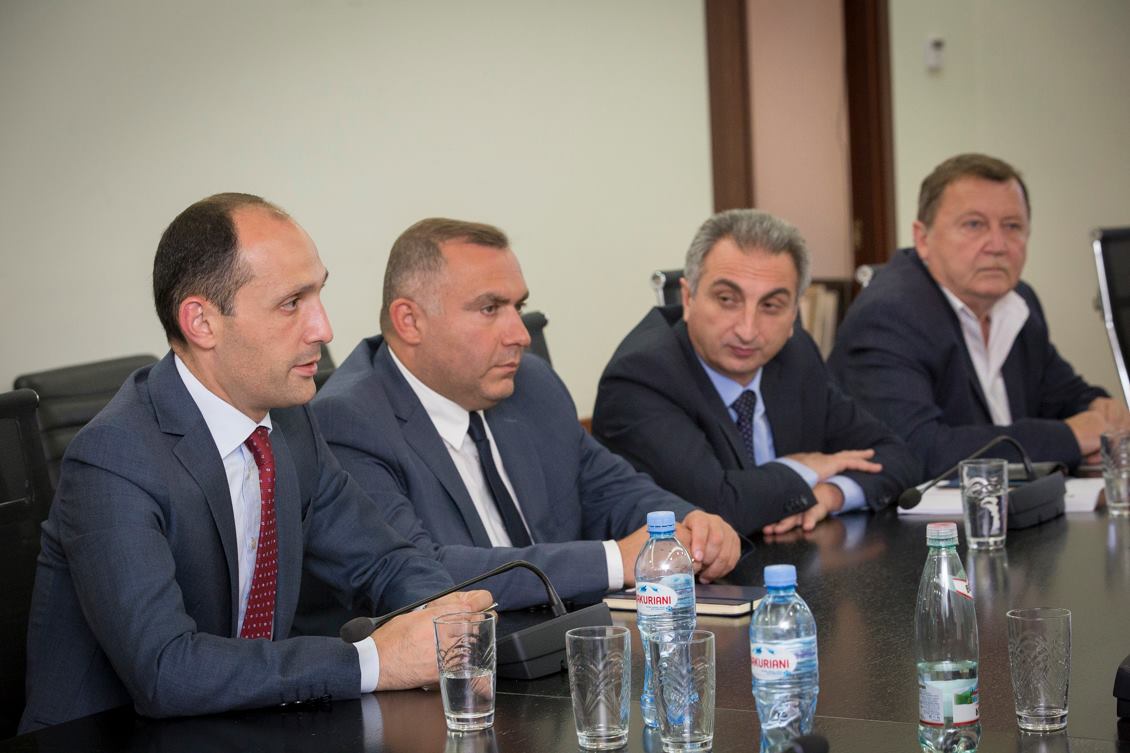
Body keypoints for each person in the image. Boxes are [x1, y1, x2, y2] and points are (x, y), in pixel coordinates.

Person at [19, 194, 490, 733]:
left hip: (245, 723)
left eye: (319, 294)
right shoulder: (113, 458)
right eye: (291, 303)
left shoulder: (289, 423)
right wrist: (375, 660)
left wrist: (449, 624)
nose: (323, 329)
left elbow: (384, 561)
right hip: (113, 737)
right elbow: (165, 670)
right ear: (201, 322)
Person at [309, 218, 741, 611]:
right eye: (490, 309)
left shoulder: (532, 384)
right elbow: (420, 573)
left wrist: (690, 526)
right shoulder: (348, 422)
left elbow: (612, 490)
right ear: (410, 321)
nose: (520, 335)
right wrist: (614, 561)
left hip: (561, 643)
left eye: (518, 307)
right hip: (459, 663)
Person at [592, 209, 920, 537]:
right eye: (727, 300)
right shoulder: (642, 377)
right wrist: (804, 469)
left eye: (770, 306)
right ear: (688, 298)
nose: (747, 331)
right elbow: (715, 508)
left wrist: (829, 494)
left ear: (793, 314)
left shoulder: (795, 356)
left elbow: (896, 455)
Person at [828, 153, 1129, 477]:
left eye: (1012, 226)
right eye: (974, 225)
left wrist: (1100, 409)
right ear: (922, 239)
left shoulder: (1018, 303)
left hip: (1009, 504)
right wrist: (1069, 437)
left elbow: (1065, 395)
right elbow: (916, 452)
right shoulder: (888, 315)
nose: (997, 245)